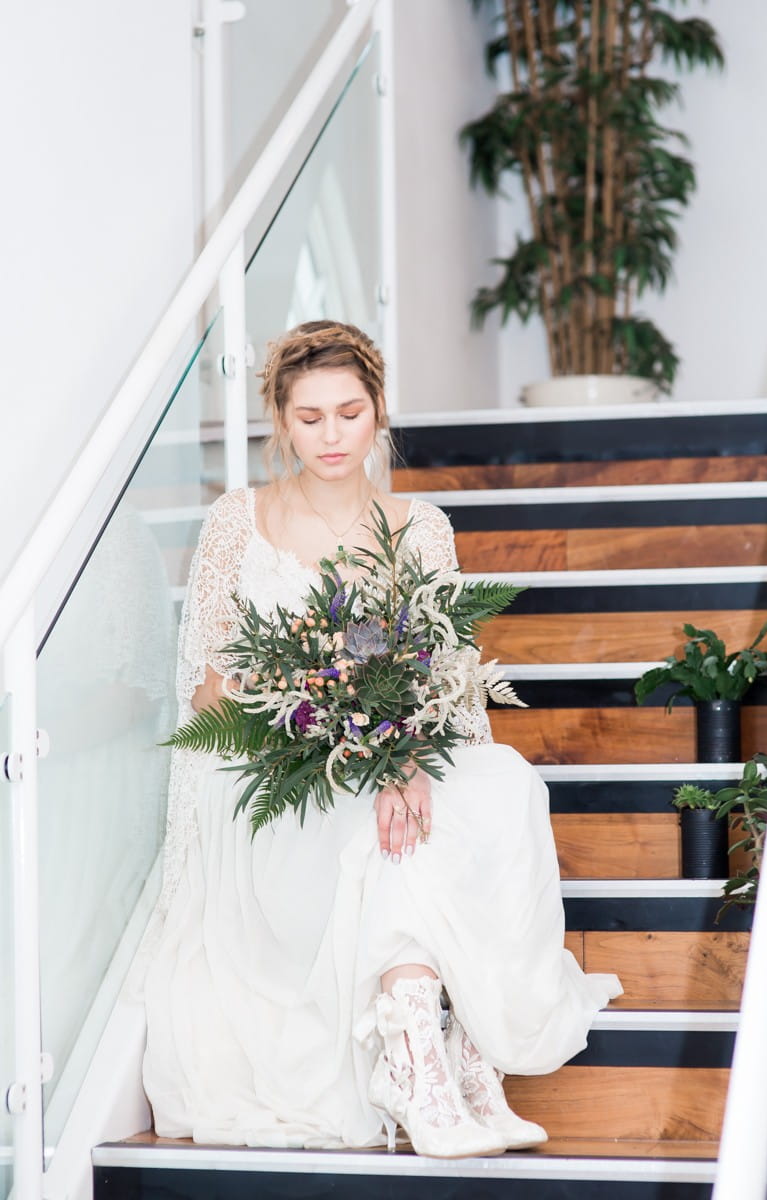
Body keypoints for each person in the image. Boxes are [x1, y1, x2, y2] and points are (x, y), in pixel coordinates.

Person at [141, 319, 621, 1157]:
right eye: (310, 416)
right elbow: (205, 689)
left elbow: (453, 684)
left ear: (379, 411)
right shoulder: (236, 522)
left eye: (349, 412)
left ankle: (456, 1058)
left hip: (392, 752)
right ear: (281, 422)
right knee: (385, 826)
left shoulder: (421, 526)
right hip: (274, 765)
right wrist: (310, 703)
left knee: (502, 780)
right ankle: (425, 1063)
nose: (332, 435)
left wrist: (405, 757)